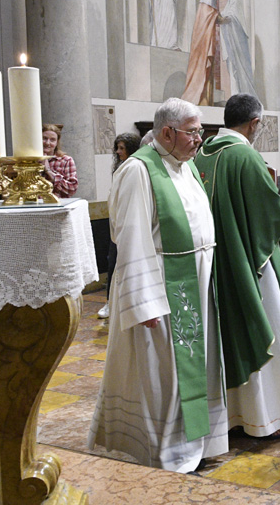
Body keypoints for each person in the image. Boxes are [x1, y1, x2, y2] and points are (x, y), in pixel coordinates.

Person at [89, 98, 229, 472]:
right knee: (163, 377)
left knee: (196, 368)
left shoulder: (184, 165)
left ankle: (197, 444)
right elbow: (131, 237)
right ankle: (168, 452)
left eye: (200, 131)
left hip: (195, 284)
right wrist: (143, 301)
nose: (199, 139)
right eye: (193, 132)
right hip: (164, 289)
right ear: (167, 132)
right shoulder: (139, 170)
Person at [195, 93, 280, 439]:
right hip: (251, 267)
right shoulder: (245, 156)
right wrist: (277, 203)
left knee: (224, 338)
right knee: (265, 332)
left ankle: (229, 417)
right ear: (254, 123)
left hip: (213, 265)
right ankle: (265, 417)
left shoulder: (201, 155)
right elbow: (271, 214)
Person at [99, 132, 144, 319]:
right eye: (117, 148)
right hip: (116, 223)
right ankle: (110, 302)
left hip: (130, 223)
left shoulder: (136, 167)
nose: (118, 152)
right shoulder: (119, 167)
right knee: (112, 262)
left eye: (122, 148)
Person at [42, 124, 79, 198]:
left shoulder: (66, 160)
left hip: (58, 205)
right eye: (44, 138)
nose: (47, 143)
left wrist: (48, 171)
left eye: (52, 140)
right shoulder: (30, 161)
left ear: (57, 142)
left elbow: (72, 189)